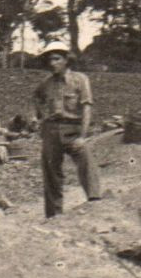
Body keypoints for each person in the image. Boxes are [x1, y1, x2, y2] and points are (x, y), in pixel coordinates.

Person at [31, 43, 103, 218]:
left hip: (73, 129)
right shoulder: (46, 84)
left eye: (56, 58)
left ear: (66, 60)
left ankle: (94, 201)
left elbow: (87, 108)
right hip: (51, 130)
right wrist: (37, 116)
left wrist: (83, 136)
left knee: (86, 159)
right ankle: (53, 215)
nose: (52, 63)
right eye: (49, 59)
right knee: (51, 172)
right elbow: (35, 98)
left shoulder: (80, 80)